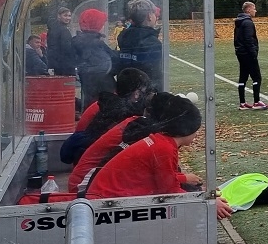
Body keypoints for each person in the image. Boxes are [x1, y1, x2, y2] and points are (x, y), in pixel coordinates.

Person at [84, 94, 233, 219]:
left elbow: (161, 178)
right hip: (104, 206)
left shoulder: (161, 141)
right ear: (187, 129)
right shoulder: (164, 149)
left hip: (103, 199)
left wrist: (185, 179)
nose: (197, 134)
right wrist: (208, 202)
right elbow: (171, 194)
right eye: (196, 129)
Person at [63, 68, 153, 165]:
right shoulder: (122, 115)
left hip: (81, 161)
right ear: (136, 93)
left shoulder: (107, 105)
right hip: (91, 168)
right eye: (144, 92)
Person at [73, 8, 120, 108]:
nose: (103, 26)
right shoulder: (96, 44)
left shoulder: (78, 41)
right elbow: (112, 64)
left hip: (88, 89)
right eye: (102, 24)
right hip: (104, 89)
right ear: (96, 25)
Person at [116, 0, 163, 89]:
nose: (156, 17)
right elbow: (154, 76)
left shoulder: (124, 37)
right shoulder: (152, 43)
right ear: (149, 16)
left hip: (126, 89)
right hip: (143, 93)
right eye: (154, 14)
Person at [234, 2, 268, 109]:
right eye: (254, 8)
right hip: (248, 54)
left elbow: (236, 39)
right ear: (248, 10)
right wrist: (253, 53)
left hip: (241, 53)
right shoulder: (248, 22)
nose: (255, 11)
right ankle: (257, 102)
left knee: (243, 77)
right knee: (257, 77)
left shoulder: (239, 22)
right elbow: (249, 39)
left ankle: (242, 103)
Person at [45, 6, 78, 76]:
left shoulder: (53, 28)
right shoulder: (63, 30)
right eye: (65, 15)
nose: (68, 18)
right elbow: (67, 48)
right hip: (64, 65)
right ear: (59, 16)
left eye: (69, 16)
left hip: (55, 63)